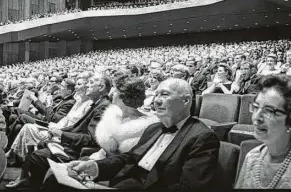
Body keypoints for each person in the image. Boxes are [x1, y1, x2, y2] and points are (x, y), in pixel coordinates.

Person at [43, 78, 222, 190]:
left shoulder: (202, 137)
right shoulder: (154, 128)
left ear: (185, 100)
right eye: (156, 94)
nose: (157, 101)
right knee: (55, 180)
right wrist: (95, 167)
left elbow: (188, 187)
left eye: (164, 95)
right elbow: (128, 159)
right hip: (123, 182)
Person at [7, 73, 112, 190]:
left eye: (91, 83)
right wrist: (59, 131)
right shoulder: (96, 104)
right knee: (38, 142)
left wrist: (61, 134)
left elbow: (90, 138)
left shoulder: (102, 106)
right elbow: (75, 127)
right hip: (68, 137)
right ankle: (27, 178)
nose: (87, 85)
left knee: (37, 155)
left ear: (101, 87)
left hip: (77, 151)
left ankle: (35, 185)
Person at [88, 75, 159, 160]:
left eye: (115, 90)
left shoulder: (143, 127)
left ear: (121, 96)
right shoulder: (113, 115)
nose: (112, 93)